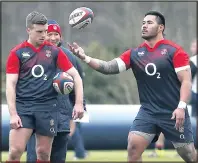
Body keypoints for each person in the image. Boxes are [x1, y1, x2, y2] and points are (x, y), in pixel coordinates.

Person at [68, 11, 197, 162]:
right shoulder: (135, 53)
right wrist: (85, 57)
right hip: (148, 112)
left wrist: (181, 106)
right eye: (143, 23)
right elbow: (109, 67)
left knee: (189, 155)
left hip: (173, 112)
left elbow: (186, 81)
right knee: (133, 147)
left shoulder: (174, 51)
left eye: (149, 23)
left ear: (161, 27)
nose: (144, 26)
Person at [5, 11, 84, 162]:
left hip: (48, 109)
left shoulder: (54, 52)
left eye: (45, 31)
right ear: (28, 30)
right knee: (16, 151)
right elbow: (10, 84)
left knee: (43, 153)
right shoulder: (17, 53)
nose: (44, 35)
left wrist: (79, 104)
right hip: (24, 108)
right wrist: (13, 113)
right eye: (39, 31)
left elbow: (76, 77)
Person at [26, 20, 87, 163]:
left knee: (58, 158)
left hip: (61, 118)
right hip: (38, 118)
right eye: (49, 34)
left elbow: (77, 85)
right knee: (35, 157)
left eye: (56, 34)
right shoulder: (31, 55)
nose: (53, 38)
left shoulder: (68, 56)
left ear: (61, 36)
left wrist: (79, 109)